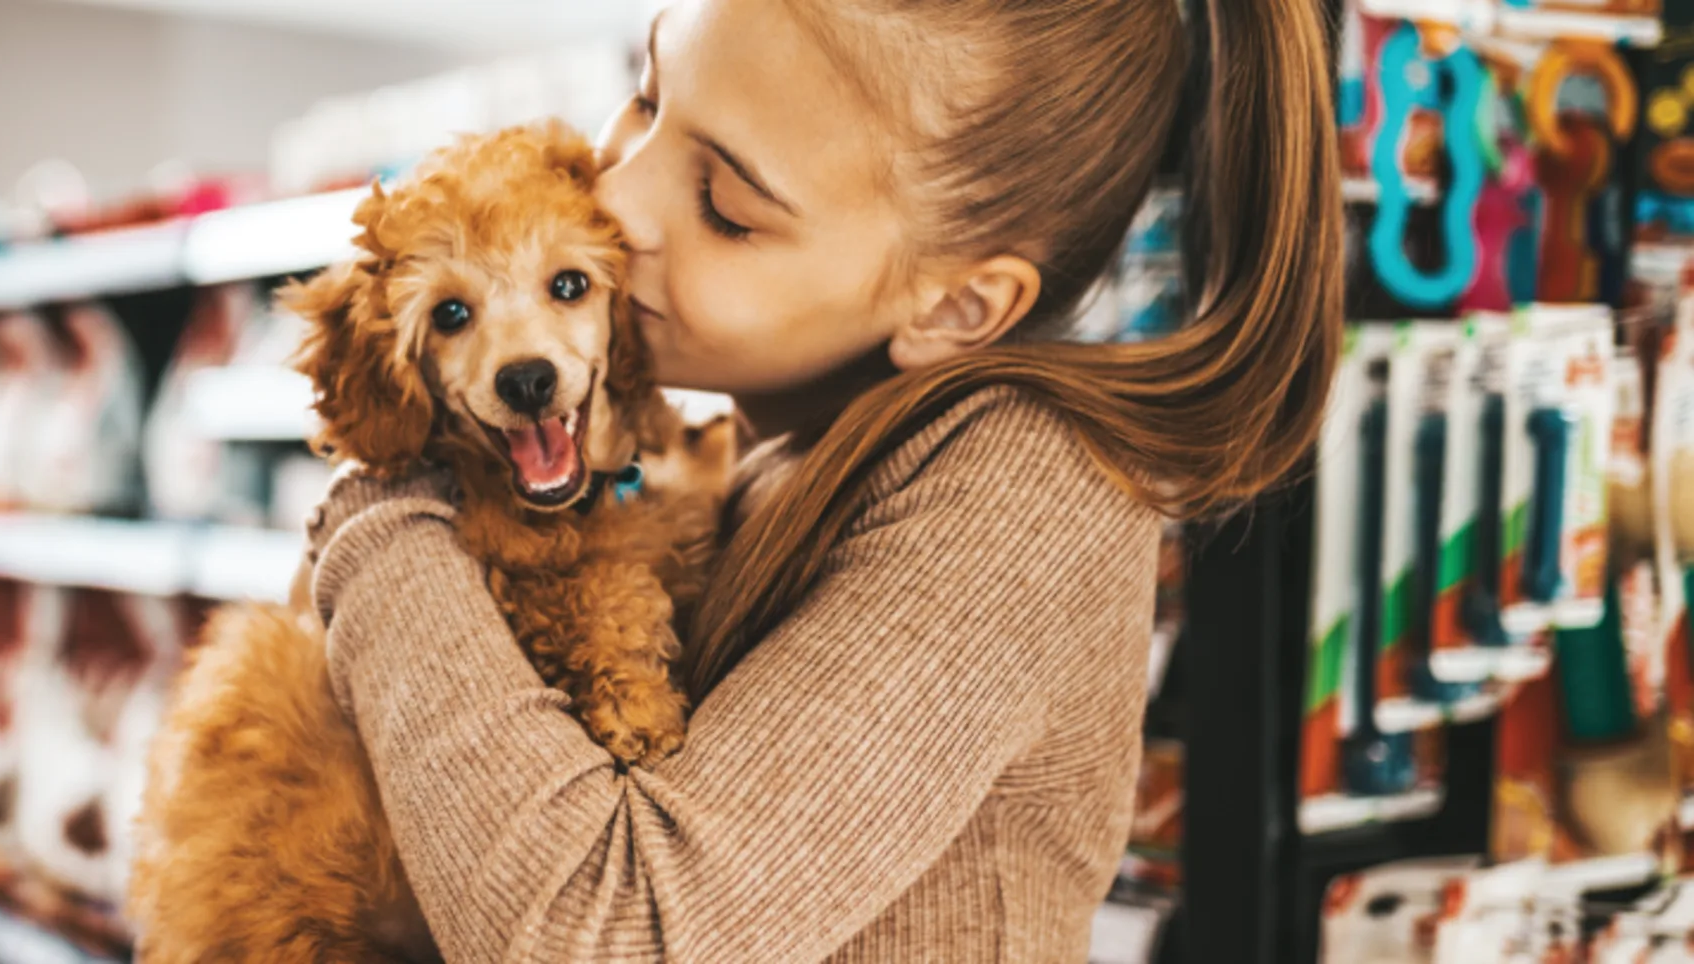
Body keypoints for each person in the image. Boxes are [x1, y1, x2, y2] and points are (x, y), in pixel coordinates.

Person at [304, 0, 1340, 959]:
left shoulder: (1026, 488)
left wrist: (387, 505)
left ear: (954, 309)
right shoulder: (752, 444)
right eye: (648, 96)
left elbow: (614, 930)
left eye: (723, 205)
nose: (616, 199)